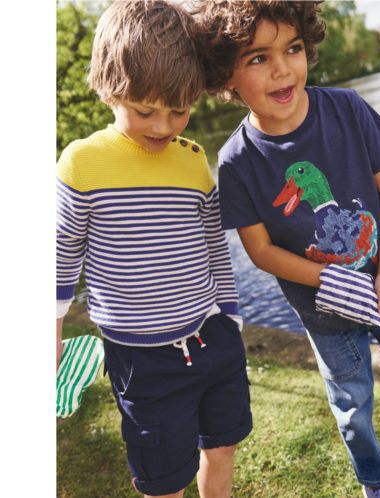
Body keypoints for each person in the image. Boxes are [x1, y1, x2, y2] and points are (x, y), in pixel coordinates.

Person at [195, 1, 380, 496]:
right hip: (326, 318)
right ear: (226, 76)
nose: (283, 67)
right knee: (352, 411)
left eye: (293, 48)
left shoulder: (347, 108)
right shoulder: (237, 161)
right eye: (258, 58)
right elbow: (261, 251)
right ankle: (378, 484)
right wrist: (329, 279)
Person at [55, 1, 252, 497]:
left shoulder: (193, 161)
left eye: (180, 111)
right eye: (145, 111)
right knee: (165, 480)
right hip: (143, 361)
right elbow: (63, 254)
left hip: (213, 338)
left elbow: (214, 248)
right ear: (107, 88)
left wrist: (231, 319)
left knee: (223, 448)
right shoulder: (82, 163)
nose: (164, 126)